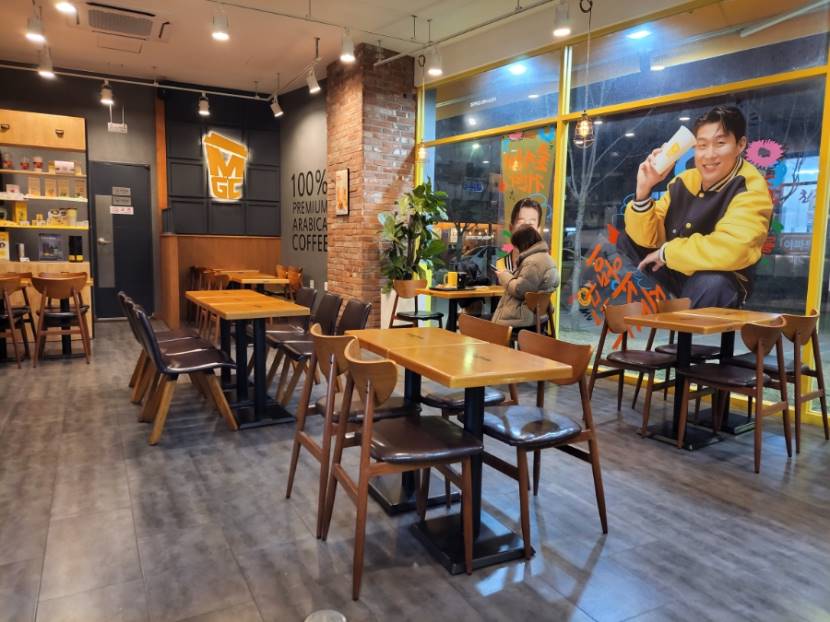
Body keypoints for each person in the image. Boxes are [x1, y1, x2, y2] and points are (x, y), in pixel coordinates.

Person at [617, 105, 773, 308]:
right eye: (702, 145)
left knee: (711, 283)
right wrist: (643, 191)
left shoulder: (750, 187)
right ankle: (627, 314)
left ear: (740, 145)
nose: (709, 155)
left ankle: (677, 323)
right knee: (627, 241)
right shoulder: (684, 181)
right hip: (675, 272)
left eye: (720, 143)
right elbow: (648, 238)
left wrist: (666, 253)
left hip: (719, 283)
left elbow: (734, 248)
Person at [492, 225, 559, 326]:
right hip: (538, 315)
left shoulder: (532, 262)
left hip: (521, 318)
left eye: (517, 246)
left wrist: (503, 276)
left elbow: (519, 290)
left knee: (483, 325)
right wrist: (511, 275)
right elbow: (529, 285)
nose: (517, 250)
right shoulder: (547, 258)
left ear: (523, 244)